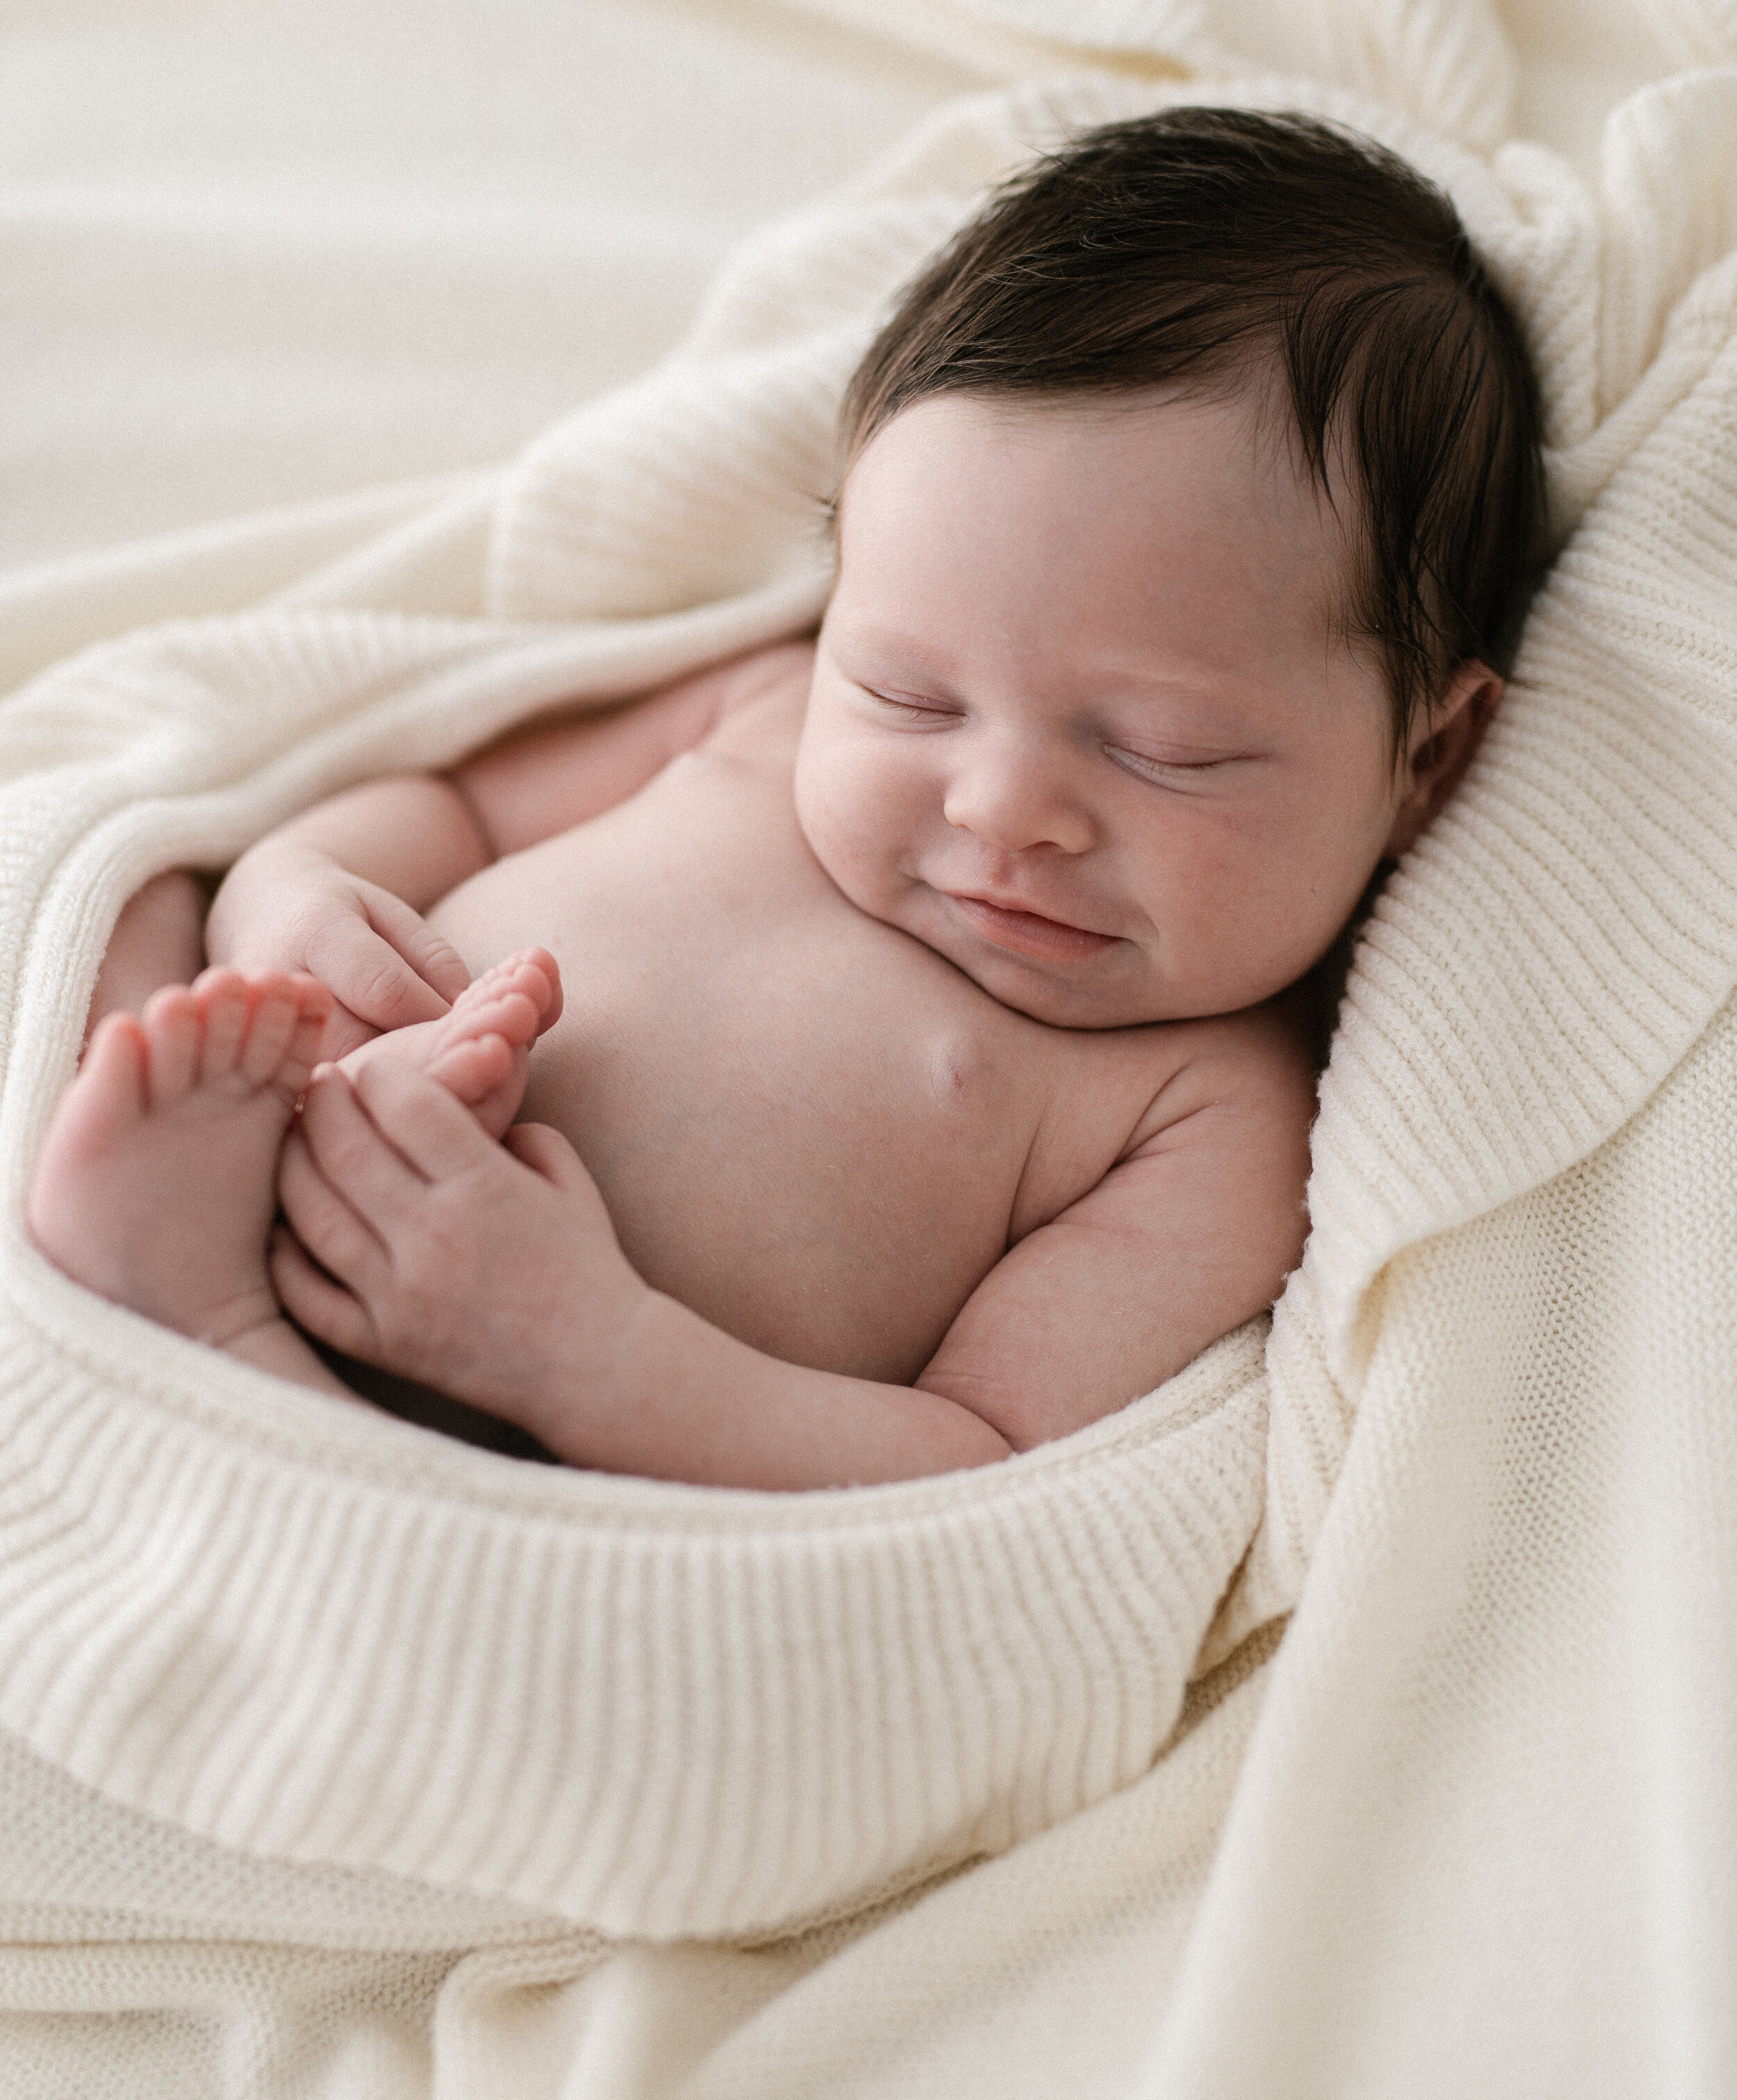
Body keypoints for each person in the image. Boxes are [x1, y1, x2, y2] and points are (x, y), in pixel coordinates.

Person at [26, 108, 1545, 1489]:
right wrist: (296, 897)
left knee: (393, 1499)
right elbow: (449, 803)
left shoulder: (1209, 1108)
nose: (1004, 805)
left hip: (530, 1452)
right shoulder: (756, 700)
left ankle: (219, 1338)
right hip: (291, 1110)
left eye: (1160, 745)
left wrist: (590, 1352)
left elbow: (982, 1458)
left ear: (1426, 756)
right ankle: (157, 1198)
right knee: (121, 898)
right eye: (909, 691)